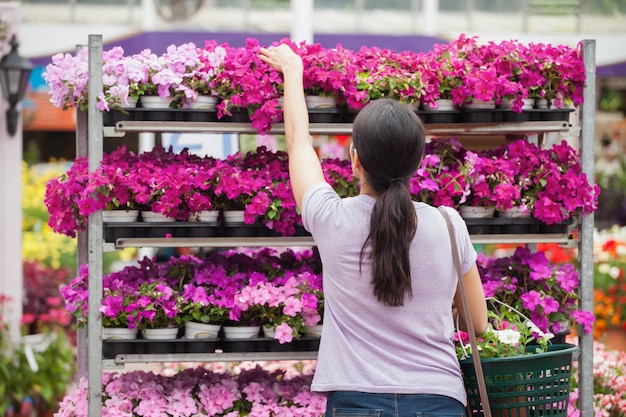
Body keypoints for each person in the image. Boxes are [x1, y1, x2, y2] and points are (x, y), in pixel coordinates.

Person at [259, 44, 488, 417]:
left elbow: (298, 142)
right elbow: (477, 323)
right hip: (438, 399)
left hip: (355, 401)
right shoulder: (448, 225)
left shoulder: (331, 219)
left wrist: (293, 71)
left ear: (355, 160)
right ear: (417, 162)